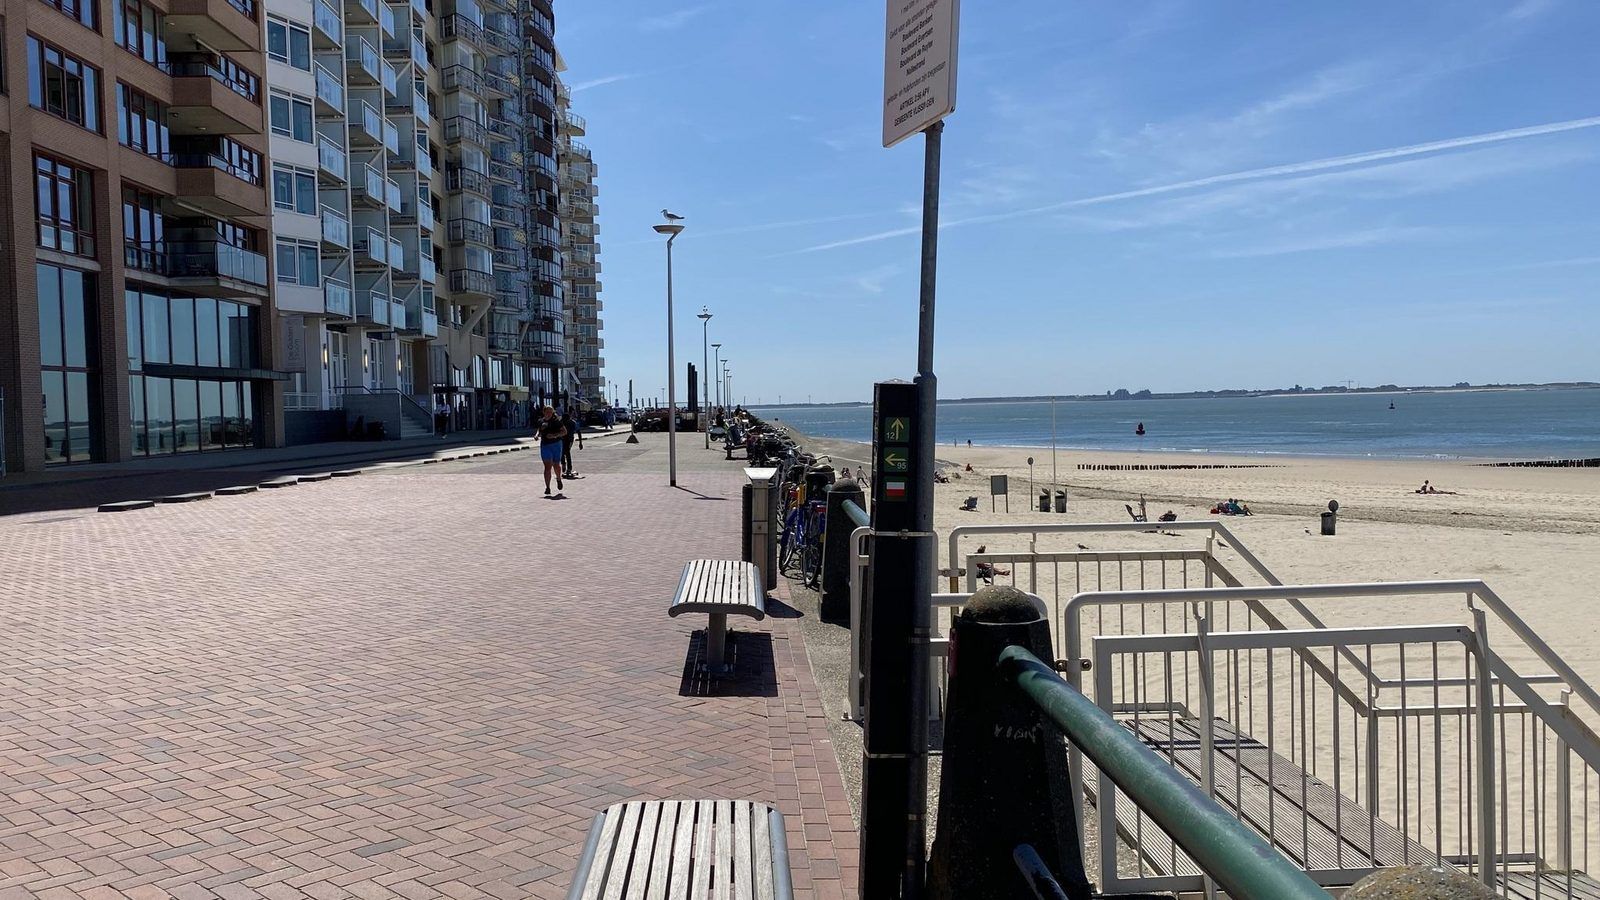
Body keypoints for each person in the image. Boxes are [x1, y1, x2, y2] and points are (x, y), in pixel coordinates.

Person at [538, 406, 566, 496]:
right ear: (544, 412)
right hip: (545, 445)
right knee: (547, 467)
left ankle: (558, 479)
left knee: (556, 465)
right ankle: (547, 487)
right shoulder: (541, 421)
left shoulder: (556, 421)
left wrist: (554, 435)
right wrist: (536, 435)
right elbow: (539, 430)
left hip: (556, 445)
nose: (549, 414)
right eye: (547, 412)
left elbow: (564, 432)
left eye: (550, 412)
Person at [560, 407, 581, 477]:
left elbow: (579, 431)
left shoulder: (572, 423)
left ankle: (568, 467)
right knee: (563, 453)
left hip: (569, 440)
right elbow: (579, 432)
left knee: (566, 453)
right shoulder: (561, 422)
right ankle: (564, 465)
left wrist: (580, 443)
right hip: (563, 440)